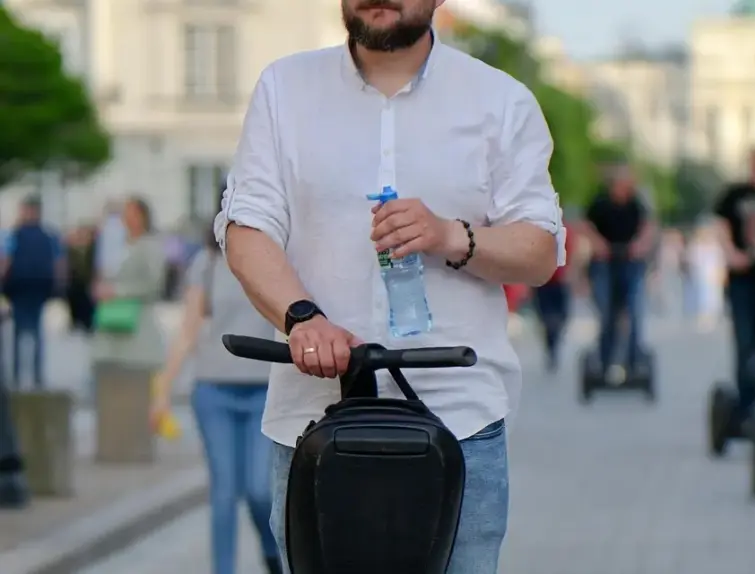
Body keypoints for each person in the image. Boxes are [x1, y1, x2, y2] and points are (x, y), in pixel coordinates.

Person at [215, 2, 563, 571]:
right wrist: (302, 317)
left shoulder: (500, 100)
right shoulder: (285, 88)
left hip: (460, 421)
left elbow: (540, 250)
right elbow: (247, 228)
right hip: (314, 424)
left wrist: (451, 234)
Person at [151, 218, 281, 574]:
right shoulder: (206, 263)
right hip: (213, 390)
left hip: (264, 392)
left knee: (260, 491)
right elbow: (189, 327)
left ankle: (274, 555)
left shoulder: (278, 258)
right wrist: (163, 387)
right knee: (223, 494)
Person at [714, 147, 755, 420]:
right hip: (744, 280)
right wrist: (732, 254)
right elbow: (721, 227)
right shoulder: (735, 195)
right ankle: (747, 402)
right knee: (745, 341)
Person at [581, 165, 656, 374]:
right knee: (607, 312)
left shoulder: (636, 204)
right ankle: (605, 359)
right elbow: (586, 226)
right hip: (605, 263)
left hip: (630, 263)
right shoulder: (600, 203)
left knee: (633, 310)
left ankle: (634, 361)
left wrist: (639, 245)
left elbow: (648, 228)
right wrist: (598, 244)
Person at [90, 197, 167, 368]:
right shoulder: (117, 244)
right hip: (110, 324)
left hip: (137, 325)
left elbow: (154, 284)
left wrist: (117, 291)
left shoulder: (150, 246)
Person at [0, 197, 64, 388]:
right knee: (36, 331)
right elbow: (59, 262)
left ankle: (18, 376)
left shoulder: (16, 234)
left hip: (19, 287)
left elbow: (6, 260)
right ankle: (36, 376)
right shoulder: (49, 235)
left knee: (19, 331)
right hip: (39, 287)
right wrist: (60, 286)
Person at [533, 218, 577, 371]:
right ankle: (551, 347)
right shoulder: (538, 229)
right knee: (546, 318)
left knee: (562, 316)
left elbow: (572, 251)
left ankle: (554, 344)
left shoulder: (565, 230)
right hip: (543, 280)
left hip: (560, 280)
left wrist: (571, 272)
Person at [64, 225, 98, 333]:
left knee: (88, 304)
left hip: (87, 282)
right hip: (75, 283)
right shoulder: (71, 249)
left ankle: (88, 323)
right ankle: (76, 321)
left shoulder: (93, 249)